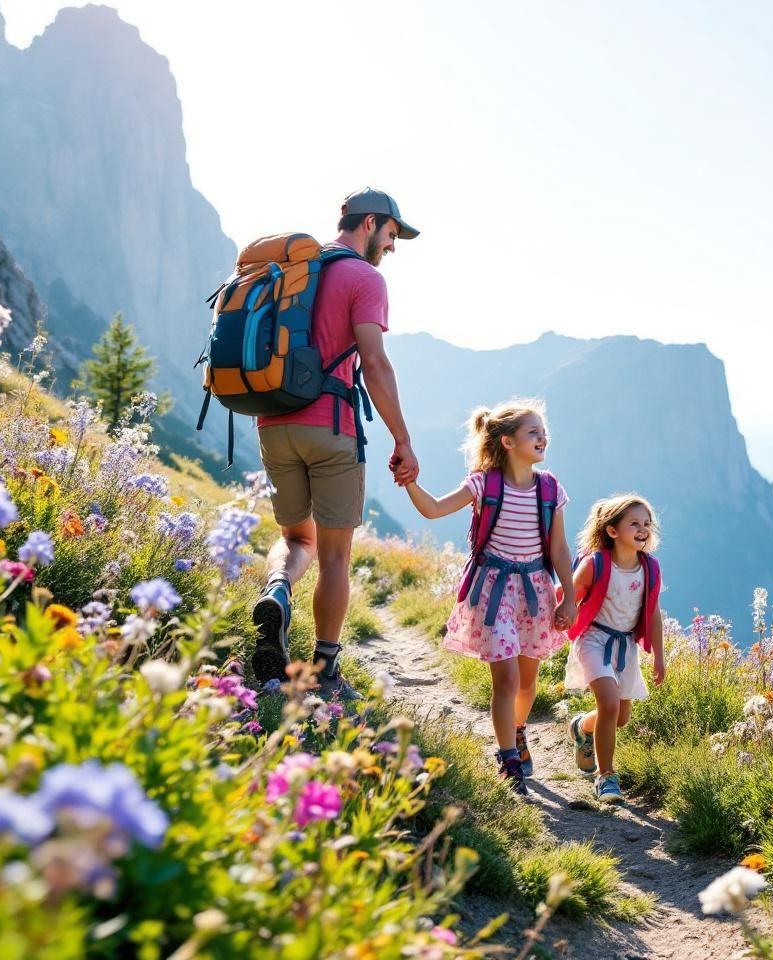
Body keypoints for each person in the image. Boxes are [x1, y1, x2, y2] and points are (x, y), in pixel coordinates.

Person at [251, 188, 421, 700]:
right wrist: (403, 438)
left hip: (273, 423)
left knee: (296, 539)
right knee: (334, 557)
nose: (392, 246)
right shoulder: (364, 278)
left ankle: (277, 591)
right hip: (331, 427)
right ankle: (324, 668)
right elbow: (374, 362)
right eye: (391, 234)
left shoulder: (289, 270)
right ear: (369, 223)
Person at [402, 400, 576, 795]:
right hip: (493, 593)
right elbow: (432, 509)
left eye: (543, 431)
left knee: (529, 682)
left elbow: (560, 549)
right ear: (508, 441)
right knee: (508, 679)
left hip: (535, 592)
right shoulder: (483, 483)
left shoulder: (550, 489)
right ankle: (508, 759)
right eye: (533, 432)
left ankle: (517, 731)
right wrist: (410, 481)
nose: (542, 437)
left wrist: (569, 598)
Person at [565, 495, 665, 804]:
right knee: (609, 704)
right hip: (594, 640)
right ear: (612, 531)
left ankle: (581, 727)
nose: (642, 529)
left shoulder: (648, 568)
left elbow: (653, 613)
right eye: (633, 523)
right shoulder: (595, 564)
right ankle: (606, 778)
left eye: (646, 524)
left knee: (620, 717)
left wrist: (659, 655)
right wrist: (556, 617)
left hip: (625, 646)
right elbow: (569, 596)